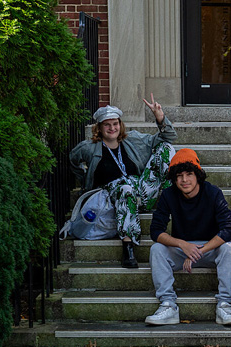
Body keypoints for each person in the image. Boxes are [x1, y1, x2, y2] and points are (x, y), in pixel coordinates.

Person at [69, 95, 177, 268]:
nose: (112, 128)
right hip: (113, 195)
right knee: (125, 188)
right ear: (99, 127)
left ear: (120, 125)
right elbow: (73, 160)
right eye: (107, 124)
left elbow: (168, 137)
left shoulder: (132, 140)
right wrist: (84, 179)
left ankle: (169, 198)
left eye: (115, 123)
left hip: (140, 191)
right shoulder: (89, 147)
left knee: (166, 148)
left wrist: (160, 117)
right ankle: (128, 247)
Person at [145, 149, 231, 327]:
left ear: (198, 175)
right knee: (156, 249)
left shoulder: (212, 192)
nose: (184, 180)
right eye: (179, 175)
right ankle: (168, 305)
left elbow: (228, 229)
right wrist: (183, 245)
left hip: (209, 249)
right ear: (174, 179)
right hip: (182, 249)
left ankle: (225, 304)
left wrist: (198, 251)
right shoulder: (169, 195)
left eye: (189, 174)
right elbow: (156, 231)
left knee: (229, 248)